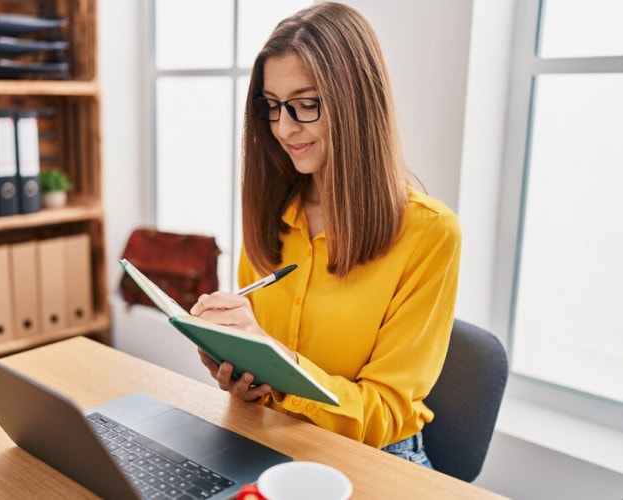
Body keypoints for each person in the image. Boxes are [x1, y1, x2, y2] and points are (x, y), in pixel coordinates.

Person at [190, 2, 461, 468]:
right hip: (271, 439)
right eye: (272, 106)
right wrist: (236, 367)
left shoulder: (430, 234)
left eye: (306, 104)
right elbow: (259, 364)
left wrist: (284, 366)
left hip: (377, 461)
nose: (283, 127)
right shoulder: (272, 211)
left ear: (356, 102)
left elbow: (385, 412)